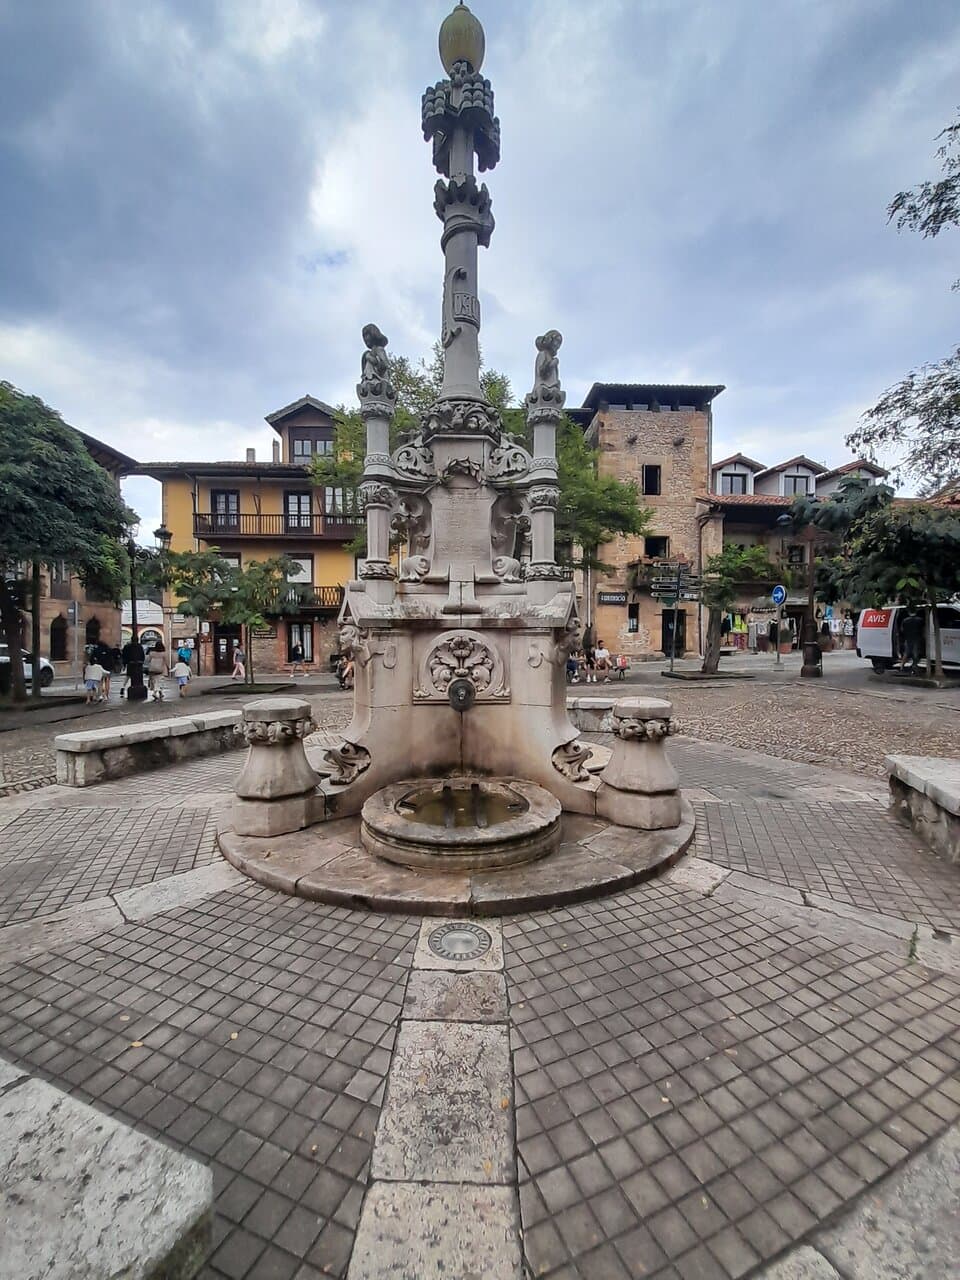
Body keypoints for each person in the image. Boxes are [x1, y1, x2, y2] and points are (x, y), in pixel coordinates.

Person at [900, 608, 925, 673]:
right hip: (916, 639)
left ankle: (901, 666)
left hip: (908, 639)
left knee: (906, 653)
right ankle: (914, 666)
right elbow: (924, 629)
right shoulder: (920, 620)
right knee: (916, 654)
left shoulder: (905, 620)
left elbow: (902, 630)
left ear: (909, 613)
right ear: (916, 612)